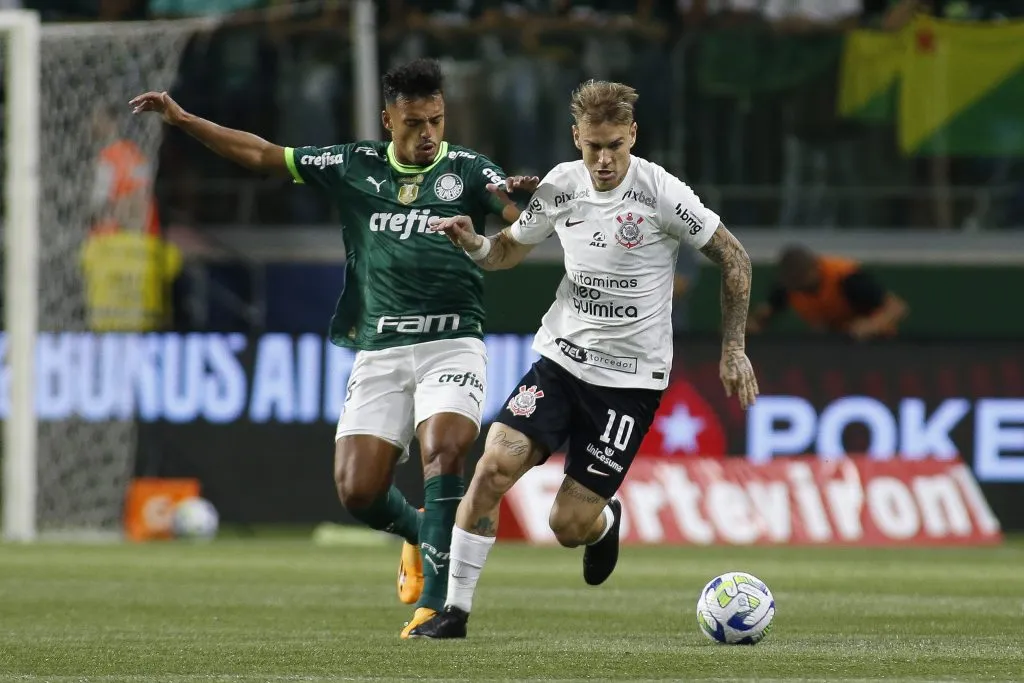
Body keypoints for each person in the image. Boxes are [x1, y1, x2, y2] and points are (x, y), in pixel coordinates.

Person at [130, 58, 537, 638]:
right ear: (387, 119)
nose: (427, 135)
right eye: (414, 123)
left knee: (444, 453)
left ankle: (440, 611)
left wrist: (527, 199)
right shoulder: (353, 166)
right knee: (358, 491)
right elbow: (262, 155)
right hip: (381, 349)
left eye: (437, 121)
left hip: (453, 340)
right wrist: (183, 119)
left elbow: (513, 211)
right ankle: (424, 532)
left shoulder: (469, 170)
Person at [408, 80, 759, 638]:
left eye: (615, 145)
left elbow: (734, 258)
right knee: (492, 468)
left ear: (633, 137)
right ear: (576, 137)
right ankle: (454, 612)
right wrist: (475, 243)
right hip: (559, 363)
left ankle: (602, 526)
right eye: (592, 145)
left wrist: (734, 346)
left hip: (629, 385)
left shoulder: (662, 193)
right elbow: (507, 253)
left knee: (566, 525)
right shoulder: (561, 186)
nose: (603, 159)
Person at [746, 244, 908, 340]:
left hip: (875, 343)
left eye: (799, 279)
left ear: (814, 269)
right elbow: (765, 314)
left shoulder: (847, 278)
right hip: (833, 346)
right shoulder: (788, 286)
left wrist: (871, 326)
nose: (796, 286)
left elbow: (897, 307)